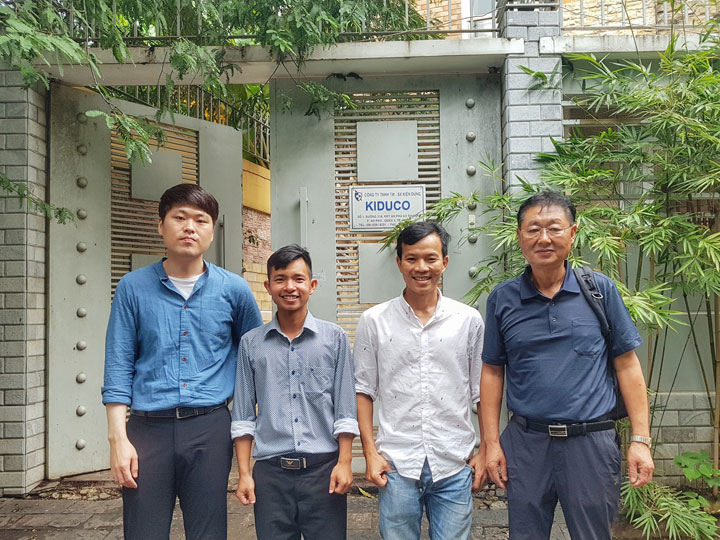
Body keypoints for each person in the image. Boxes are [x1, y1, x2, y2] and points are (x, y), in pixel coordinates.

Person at [481, 191, 654, 540]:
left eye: (554, 228)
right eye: (533, 229)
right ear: (519, 236)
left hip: (590, 444)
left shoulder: (600, 291)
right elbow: (493, 371)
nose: (543, 238)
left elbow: (627, 366)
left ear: (573, 234)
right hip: (527, 443)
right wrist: (491, 443)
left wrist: (641, 440)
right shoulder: (503, 298)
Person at [102, 183, 263, 540]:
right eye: (180, 218)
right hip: (147, 430)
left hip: (210, 428)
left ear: (212, 230)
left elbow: (256, 357)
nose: (190, 227)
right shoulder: (132, 287)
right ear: (161, 225)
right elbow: (118, 364)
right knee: (143, 532)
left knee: (209, 531)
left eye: (201, 220)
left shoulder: (234, 290)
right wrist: (118, 439)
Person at [354, 221, 486, 540]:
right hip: (397, 463)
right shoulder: (374, 321)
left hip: (454, 461)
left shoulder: (468, 320)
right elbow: (363, 390)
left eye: (430, 258)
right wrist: (370, 452)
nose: (421, 268)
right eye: (412, 258)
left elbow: (482, 392)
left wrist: (485, 449)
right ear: (399, 262)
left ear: (445, 262)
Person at [231, 244, 360, 540]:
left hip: (323, 471)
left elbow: (345, 409)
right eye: (280, 279)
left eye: (298, 279)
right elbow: (243, 416)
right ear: (268, 287)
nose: (290, 287)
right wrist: (245, 473)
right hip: (271, 475)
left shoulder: (334, 339)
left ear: (311, 285)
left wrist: (344, 463)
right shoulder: (251, 344)